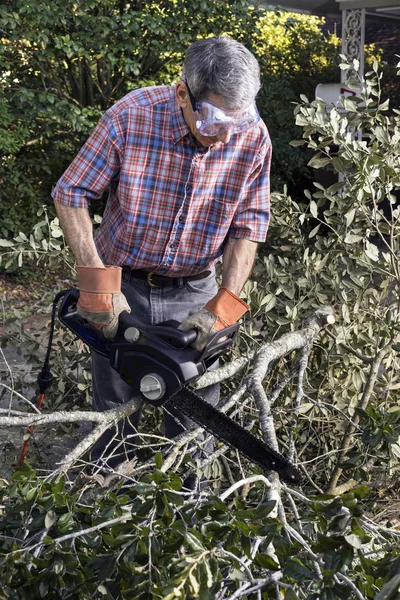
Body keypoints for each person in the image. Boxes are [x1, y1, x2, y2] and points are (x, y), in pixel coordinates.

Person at [52, 36, 271, 482]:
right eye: (213, 118)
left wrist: (225, 304)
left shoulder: (251, 137)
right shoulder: (131, 116)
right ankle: (107, 518)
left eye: (238, 119)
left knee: (197, 424)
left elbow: (249, 225)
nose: (226, 133)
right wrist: (97, 285)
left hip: (196, 290)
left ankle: (190, 528)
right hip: (124, 284)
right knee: (114, 417)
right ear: (182, 94)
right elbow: (70, 192)